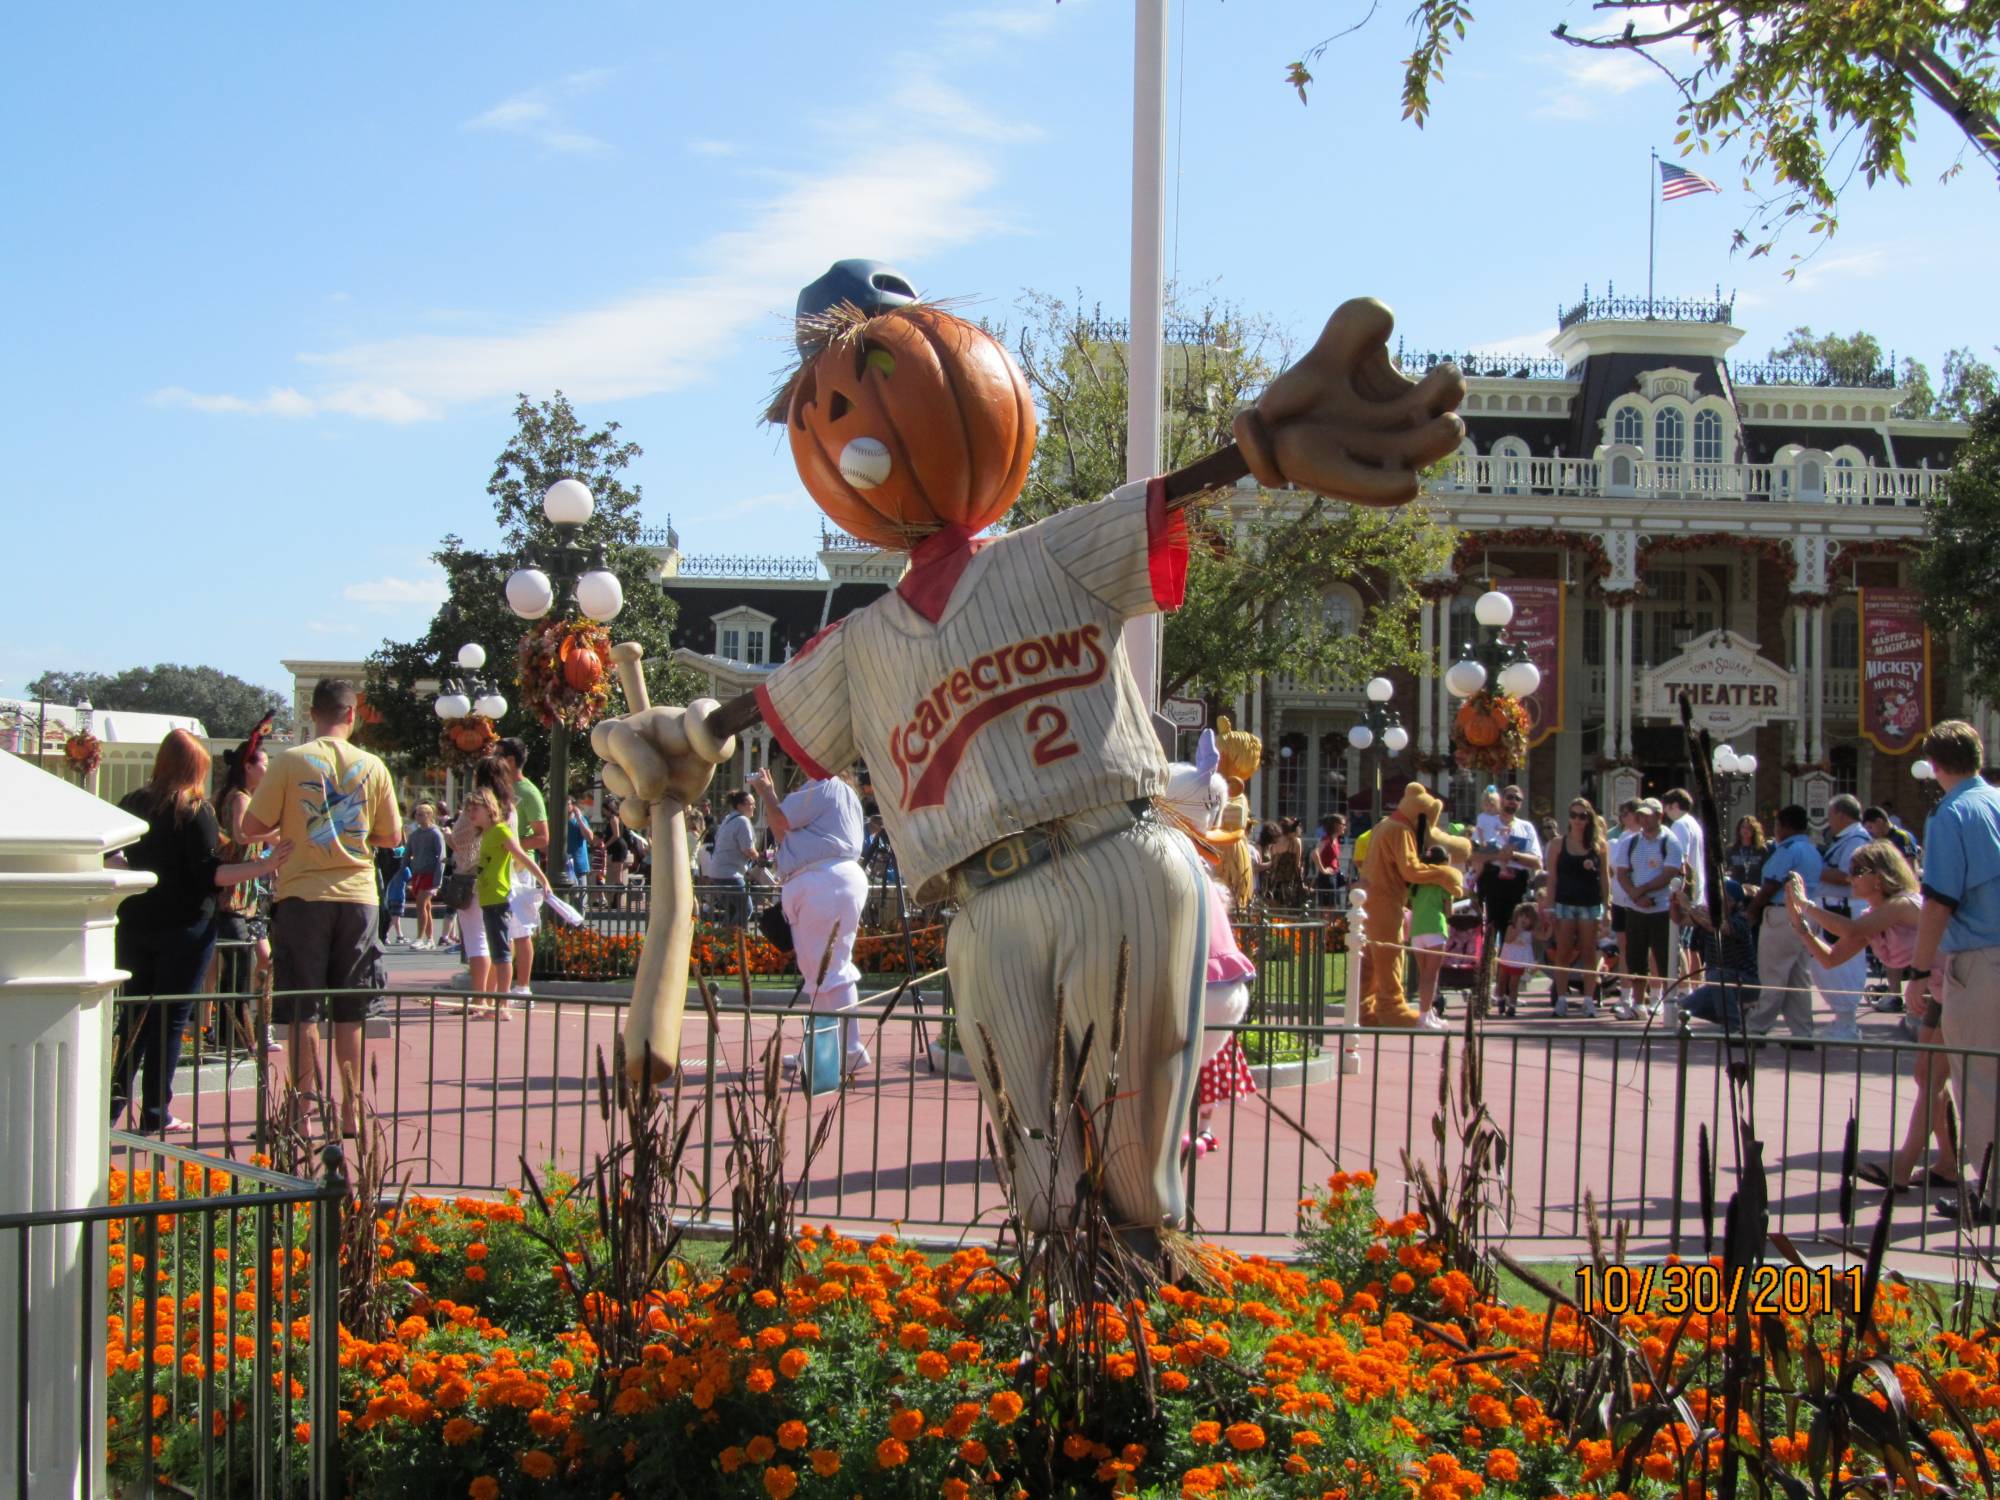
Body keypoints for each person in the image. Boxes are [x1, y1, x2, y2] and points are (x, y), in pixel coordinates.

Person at [241, 678, 399, 1136]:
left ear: (314, 713)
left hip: (302, 896)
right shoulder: (373, 766)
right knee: (350, 1009)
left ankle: (302, 1111)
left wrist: (283, 835)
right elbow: (391, 836)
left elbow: (251, 825)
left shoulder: (291, 762)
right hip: (357, 899)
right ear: (352, 714)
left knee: (301, 1008)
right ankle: (351, 1111)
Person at [113, 729, 290, 1132]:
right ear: (197, 767)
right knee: (171, 1019)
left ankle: (112, 1103)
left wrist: (144, 878)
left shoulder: (134, 803)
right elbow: (212, 874)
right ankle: (155, 1112)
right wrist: (264, 865)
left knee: (135, 1018)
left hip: (137, 923)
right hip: (187, 926)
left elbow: (113, 857)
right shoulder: (196, 810)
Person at [1788, 840, 1955, 1191]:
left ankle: (1903, 1166)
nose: (1849, 879)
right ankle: (1949, 1163)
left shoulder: (1900, 905)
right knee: (1929, 1080)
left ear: (1878, 876)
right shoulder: (1872, 918)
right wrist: (1801, 926)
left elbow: (1848, 931)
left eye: (1856, 872)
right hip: (1937, 994)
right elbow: (1832, 957)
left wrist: (1806, 904)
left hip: (1958, 989)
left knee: (1930, 1077)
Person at [1910, 720, 2000, 1218]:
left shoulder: (1952, 813)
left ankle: (1992, 1195)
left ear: (1936, 766)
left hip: (1984, 960)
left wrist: (1919, 972)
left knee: (1981, 1078)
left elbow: (1939, 901)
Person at [752, 766, 871, 1076]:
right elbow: (784, 830)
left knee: (828, 971)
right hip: (832, 880)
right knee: (823, 972)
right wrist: (771, 797)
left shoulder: (823, 784)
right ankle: (827, 1051)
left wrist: (766, 790)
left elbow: (780, 821)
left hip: (822, 881)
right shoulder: (841, 794)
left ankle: (848, 1049)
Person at [212, 733, 277, 1055]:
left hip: (246, 897)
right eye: (264, 762)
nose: (268, 767)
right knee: (237, 971)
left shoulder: (243, 795)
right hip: (232, 897)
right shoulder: (239, 797)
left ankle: (244, 1032)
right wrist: (277, 837)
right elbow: (240, 833)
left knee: (253, 963)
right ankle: (233, 1036)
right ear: (248, 767)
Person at [1743, 804, 1823, 1041]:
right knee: (1798, 976)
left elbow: (1772, 883)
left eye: (1777, 825)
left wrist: (1752, 909)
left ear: (1785, 826)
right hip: (1807, 913)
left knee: (1773, 973)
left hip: (1782, 914)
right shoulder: (1811, 850)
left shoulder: (1788, 850)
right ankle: (1802, 1032)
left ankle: (1756, 1027)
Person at [466, 787, 553, 1002]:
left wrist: (544, 880)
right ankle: (494, 1001)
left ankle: (502, 1003)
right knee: (497, 950)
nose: (470, 813)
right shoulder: (486, 834)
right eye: (468, 809)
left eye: (474, 808)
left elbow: (521, 856)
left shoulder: (501, 831)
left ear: (488, 808)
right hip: (488, 897)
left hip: (498, 897)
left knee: (501, 953)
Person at [1609, 798, 1685, 1020]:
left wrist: (1642, 891)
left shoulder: (1670, 841)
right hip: (1635, 909)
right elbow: (1621, 872)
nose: (1642, 819)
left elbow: (1669, 873)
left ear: (1659, 816)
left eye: (1647, 815)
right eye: (1640, 815)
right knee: (1635, 957)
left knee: (1664, 957)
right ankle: (1637, 1004)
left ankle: (1668, 1002)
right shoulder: (1630, 842)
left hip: (1662, 909)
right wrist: (1634, 894)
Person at [1812, 794, 1872, 1042]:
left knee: (1843, 964)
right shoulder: (1845, 839)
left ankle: (1847, 1020)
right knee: (1827, 966)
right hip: (1834, 908)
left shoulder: (1857, 840)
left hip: (1844, 910)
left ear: (1842, 815)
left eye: (1831, 815)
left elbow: (1853, 876)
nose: (1829, 820)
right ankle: (1842, 1018)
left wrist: (1818, 870)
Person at [493, 738, 548, 1001]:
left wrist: (510, 845)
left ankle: (523, 987)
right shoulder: (498, 789)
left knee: (520, 930)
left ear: (511, 761)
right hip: (499, 869)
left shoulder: (528, 792)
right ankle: (498, 990)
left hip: (521, 870)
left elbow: (542, 837)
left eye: (498, 755)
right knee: (501, 930)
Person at [1547, 798, 1609, 1017]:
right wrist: (1549, 907)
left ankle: (1588, 999)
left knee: (1588, 951)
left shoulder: (1599, 845)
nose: (1577, 820)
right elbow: (1552, 878)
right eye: (1573, 815)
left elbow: (1604, 878)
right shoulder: (1557, 844)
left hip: (1590, 904)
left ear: (1588, 818)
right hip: (1564, 903)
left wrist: (1606, 909)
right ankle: (1562, 998)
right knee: (1562, 951)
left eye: (1582, 816)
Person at [1672, 877, 1758, 1029]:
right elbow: (1679, 919)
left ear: (1736, 903)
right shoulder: (1707, 916)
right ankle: (1741, 1015)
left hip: (1746, 981)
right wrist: (1675, 904)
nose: (1720, 902)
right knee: (1689, 1005)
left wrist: (1689, 906)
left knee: (1717, 975)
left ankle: (1732, 1027)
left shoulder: (1741, 920)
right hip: (1719, 981)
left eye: (1727, 899)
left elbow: (1719, 928)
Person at [1475, 784, 1542, 938]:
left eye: (1517, 798)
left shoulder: (1526, 827)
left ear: (1521, 803)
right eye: (1509, 797)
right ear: (1502, 799)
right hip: (1492, 879)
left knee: (1513, 928)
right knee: (1490, 929)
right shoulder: (1487, 821)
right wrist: (1498, 856)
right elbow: (1473, 854)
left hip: (1517, 883)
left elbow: (1537, 861)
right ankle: (1490, 960)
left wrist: (1513, 855)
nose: (1513, 801)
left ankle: (1507, 961)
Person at [1662, 788, 1707, 982]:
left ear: (1673, 805)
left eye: (1666, 807)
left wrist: (1677, 892)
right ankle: (1694, 986)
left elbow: (1680, 858)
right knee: (1690, 944)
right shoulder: (1694, 824)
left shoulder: (1679, 825)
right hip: (1697, 889)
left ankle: (1683, 987)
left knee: (1678, 943)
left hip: (1685, 890)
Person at [1600, 798, 1640, 1007]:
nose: (1623, 818)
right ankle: (1625, 995)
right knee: (1624, 949)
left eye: (1626, 814)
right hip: (1621, 900)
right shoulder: (1618, 841)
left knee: (1643, 949)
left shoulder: (1647, 839)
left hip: (1641, 902)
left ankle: (1647, 996)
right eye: (1621, 814)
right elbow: (1612, 870)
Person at [710, 788, 759, 925]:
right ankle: (738, 941)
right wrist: (760, 858)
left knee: (732, 910)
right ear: (740, 806)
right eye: (751, 803)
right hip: (730, 874)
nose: (754, 806)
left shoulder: (728, 819)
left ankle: (724, 940)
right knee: (745, 909)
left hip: (717, 872)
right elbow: (748, 849)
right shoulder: (742, 821)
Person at [406, 803, 445, 948]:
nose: (418, 817)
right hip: (418, 873)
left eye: (422, 814)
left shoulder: (435, 833)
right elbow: (407, 853)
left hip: (430, 874)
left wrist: (437, 881)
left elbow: (441, 857)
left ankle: (419, 938)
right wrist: (402, 870)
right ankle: (430, 939)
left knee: (421, 904)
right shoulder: (414, 835)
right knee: (426, 907)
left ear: (430, 815)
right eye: (417, 814)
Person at [1494, 906, 1538, 1017]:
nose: (1524, 919)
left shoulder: (1531, 931)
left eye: (1527, 917)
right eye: (1521, 916)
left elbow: (1543, 936)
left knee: (1514, 984)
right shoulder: (1511, 927)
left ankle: (1512, 1005)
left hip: (1518, 961)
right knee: (1502, 981)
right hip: (1507, 957)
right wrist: (1518, 929)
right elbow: (1508, 940)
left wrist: (1549, 928)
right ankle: (1501, 1000)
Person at [1311, 814, 1346, 910]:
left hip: (1334, 875)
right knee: (1328, 908)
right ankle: (1326, 925)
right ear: (1336, 825)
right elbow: (1315, 853)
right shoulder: (1326, 839)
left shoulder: (1335, 839)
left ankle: (1331, 924)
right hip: (1327, 877)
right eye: (1343, 824)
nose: (1345, 827)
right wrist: (1322, 869)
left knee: (1334, 906)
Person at [601, 808, 633, 908]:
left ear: (608, 808)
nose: (603, 811)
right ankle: (616, 900)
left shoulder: (613, 818)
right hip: (617, 848)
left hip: (618, 847)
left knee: (618, 875)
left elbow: (616, 835)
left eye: (604, 809)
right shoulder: (617, 818)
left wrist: (605, 845)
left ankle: (617, 900)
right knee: (617, 875)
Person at [1727, 816, 1770, 887]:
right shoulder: (1731, 849)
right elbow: (1727, 869)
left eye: (1749, 828)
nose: (1745, 830)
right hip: (1737, 889)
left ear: (1754, 830)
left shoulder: (1761, 850)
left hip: (1756, 889)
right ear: (1739, 829)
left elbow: (1766, 871)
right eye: (1743, 827)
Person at [565, 798, 594, 886]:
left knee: (580, 897)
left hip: (579, 866)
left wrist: (579, 818)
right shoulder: (557, 821)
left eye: (568, 804)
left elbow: (590, 838)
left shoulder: (580, 820)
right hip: (562, 867)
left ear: (572, 806)